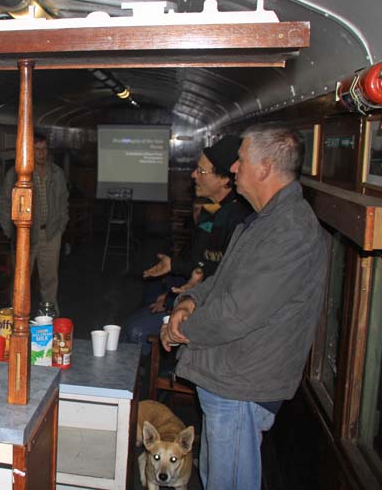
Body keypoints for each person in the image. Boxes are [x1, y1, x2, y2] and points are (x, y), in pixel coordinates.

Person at [161, 124, 328, 490]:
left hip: (241, 382)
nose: (233, 168)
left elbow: (237, 313)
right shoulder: (265, 220)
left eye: (240, 160)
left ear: (265, 167)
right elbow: (222, 282)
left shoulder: (290, 231)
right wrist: (189, 301)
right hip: (229, 373)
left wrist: (181, 329)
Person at [124, 135, 252, 354]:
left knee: (136, 330)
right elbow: (198, 260)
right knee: (144, 303)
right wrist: (173, 266)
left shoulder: (239, 219)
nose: (193, 175)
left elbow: (220, 276)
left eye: (201, 171)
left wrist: (177, 297)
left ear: (224, 180)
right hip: (192, 295)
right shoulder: (213, 210)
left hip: (209, 308)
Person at [0, 134, 69, 307]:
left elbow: (63, 201)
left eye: (44, 149)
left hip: (51, 234)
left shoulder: (57, 173)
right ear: (29, 150)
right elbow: (5, 202)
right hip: (25, 235)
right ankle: (17, 320)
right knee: (21, 282)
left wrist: (61, 226)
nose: (41, 153)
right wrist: (10, 231)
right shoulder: (17, 173)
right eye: (36, 149)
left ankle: (49, 317)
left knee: (50, 281)